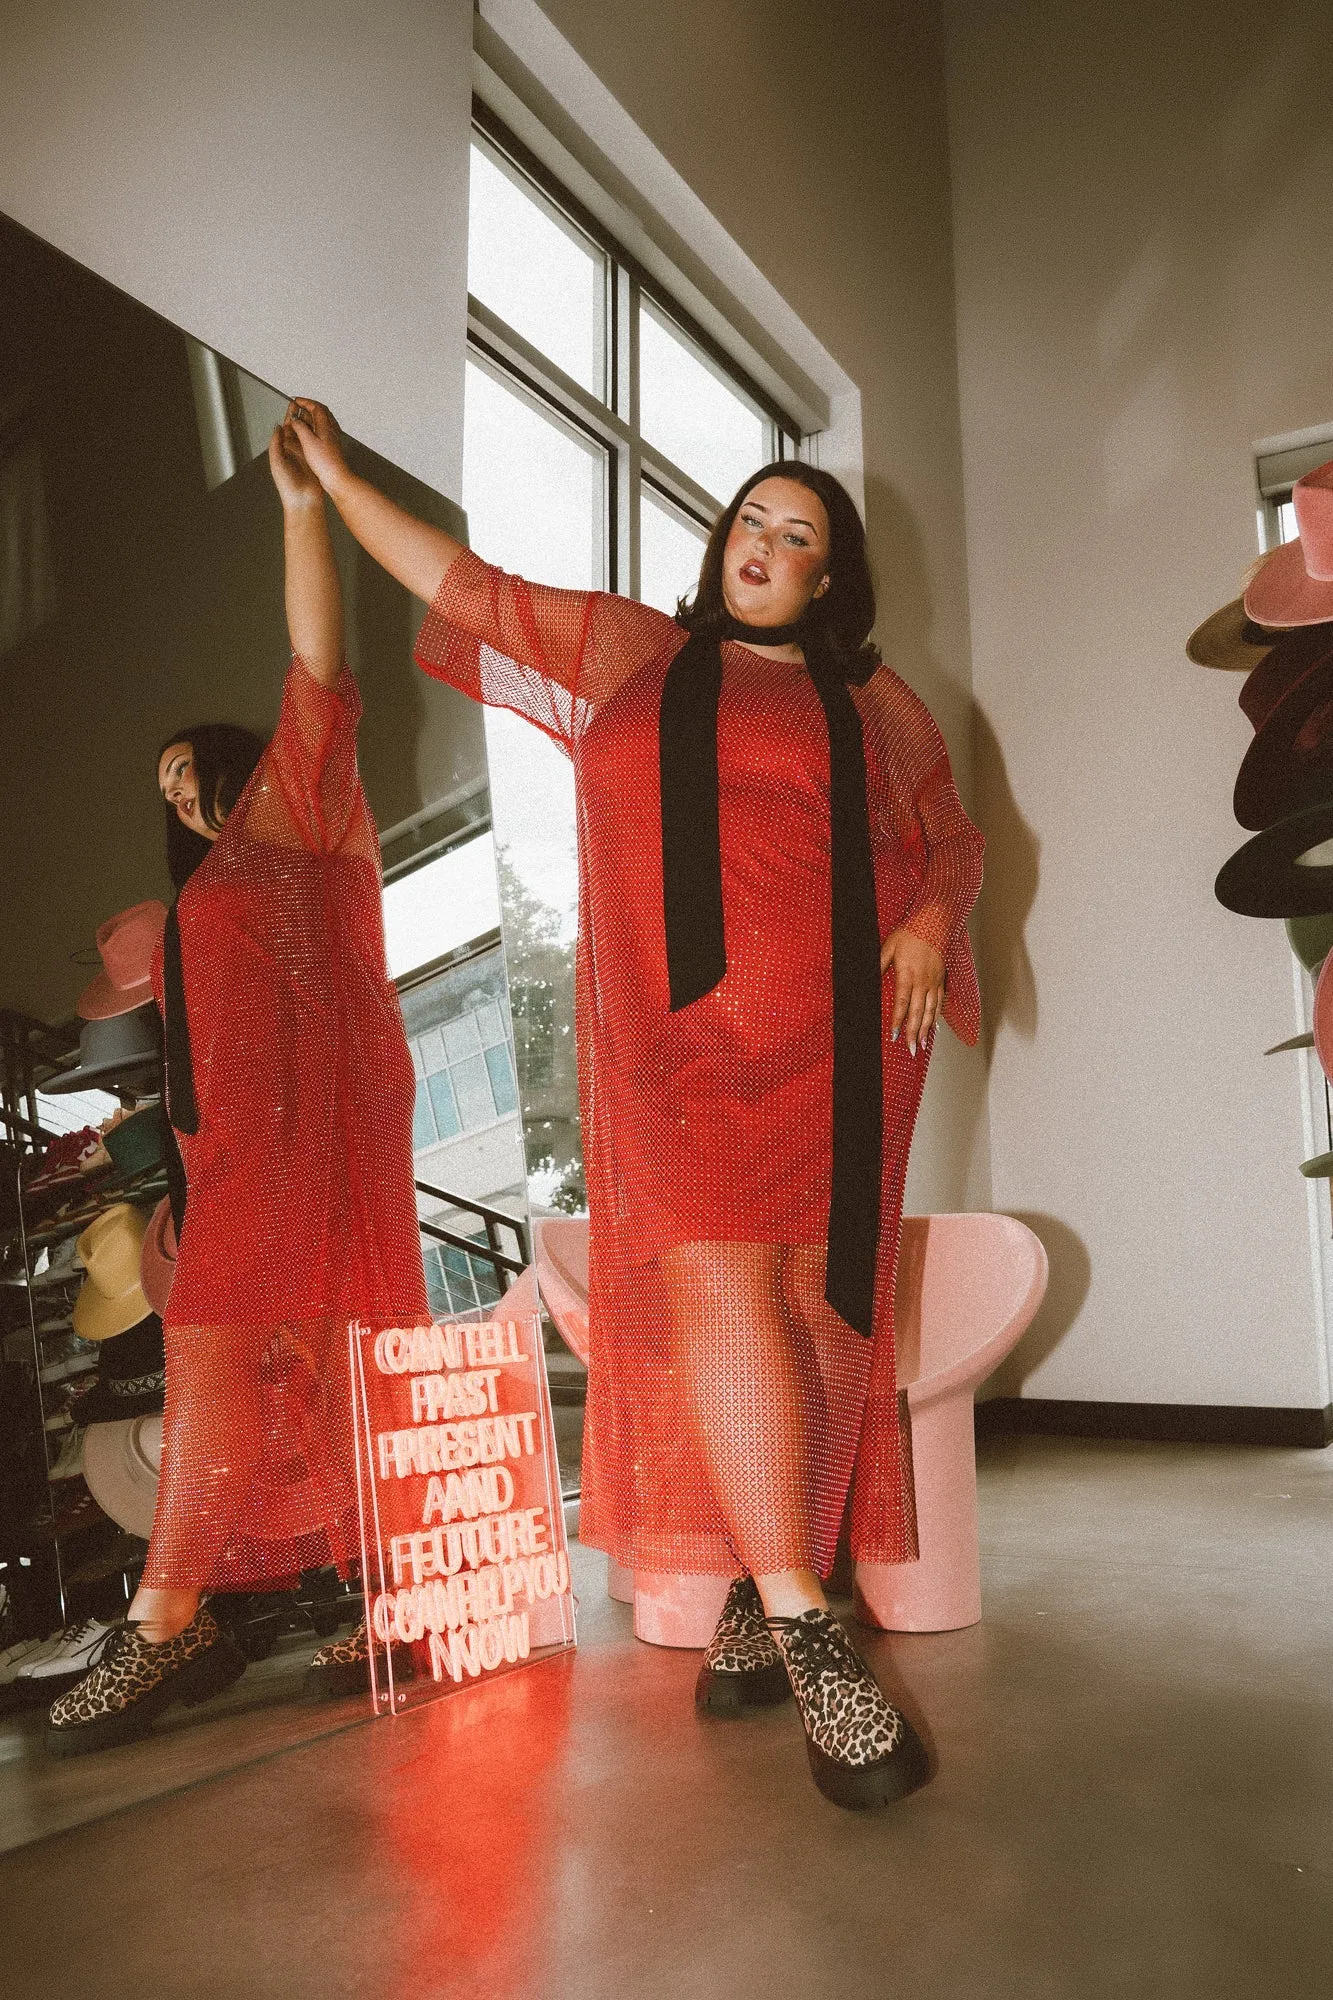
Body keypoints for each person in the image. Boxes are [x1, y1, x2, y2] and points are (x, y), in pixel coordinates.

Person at [290, 398, 984, 1811]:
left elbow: (948, 836)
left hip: (838, 1058)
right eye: (752, 520)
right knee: (724, 1297)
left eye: (800, 537)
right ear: (722, 543)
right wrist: (338, 487)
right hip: (672, 1061)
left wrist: (924, 920)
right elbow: (469, 591)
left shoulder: (870, 704)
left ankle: (752, 1587)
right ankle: (807, 1629)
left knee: (805, 1322)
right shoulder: (629, 656)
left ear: (827, 578)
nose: (767, 545)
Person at [47, 415, 429, 1756]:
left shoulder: (300, 815)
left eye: (192, 773)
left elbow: (321, 665)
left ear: (242, 770)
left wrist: (301, 508)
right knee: (240, 1381)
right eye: (168, 791)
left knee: (330, 1375)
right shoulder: (206, 894)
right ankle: (194, 1620)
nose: (185, 800)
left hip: (318, 1163)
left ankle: (198, 1620)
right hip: (240, 1180)